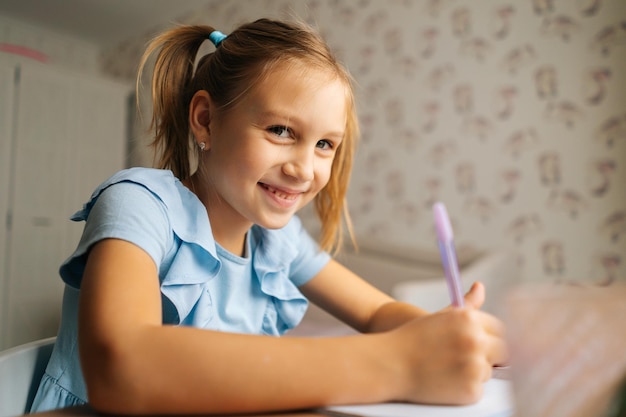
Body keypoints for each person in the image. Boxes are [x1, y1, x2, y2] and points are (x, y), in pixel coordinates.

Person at [30, 18, 507, 415]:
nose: (304, 168)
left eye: (325, 144)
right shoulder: (139, 204)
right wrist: (398, 363)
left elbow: (379, 312)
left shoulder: (279, 241)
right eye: (281, 130)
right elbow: (121, 366)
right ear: (205, 120)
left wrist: (454, 337)